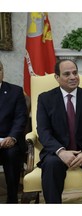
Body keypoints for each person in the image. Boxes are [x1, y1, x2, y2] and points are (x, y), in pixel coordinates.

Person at [36, 59, 82, 203]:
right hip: (57, 152)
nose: (73, 77)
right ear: (57, 78)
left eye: (75, 73)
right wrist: (61, 152)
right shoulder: (45, 99)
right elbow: (43, 131)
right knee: (51, 164)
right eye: (67, 74)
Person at [0, 60, 28, 203]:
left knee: (12, 154)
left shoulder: (15, 91)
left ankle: (12, 199)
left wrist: (12, 137)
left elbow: (20, 118)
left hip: (10, 141)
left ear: (2, 72)